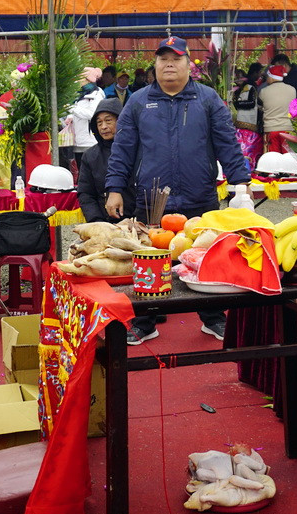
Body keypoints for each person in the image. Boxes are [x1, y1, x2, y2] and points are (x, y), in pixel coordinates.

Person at [104, 37, 251, 345]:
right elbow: (123, 149)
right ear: (154, 66)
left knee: (204, 258)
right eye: (162, 59)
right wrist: (114, 188)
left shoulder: (208, 99)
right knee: (148, 260)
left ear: (189, 65)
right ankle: (145, 321)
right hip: (151, 199)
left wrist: (242, 185)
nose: (169, 64)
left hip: (200, 196)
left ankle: (212, 318)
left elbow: (228, 144)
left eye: (176, 58)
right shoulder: (139, 101)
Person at [77, 98, 127, 223]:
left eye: (108, 121)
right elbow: (86, 194)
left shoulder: (136, 150)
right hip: (106, 222)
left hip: (138, 221)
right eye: (99, 123)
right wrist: (97, 222)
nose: (103, 127)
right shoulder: (90, 156)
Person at [230, 63, 264, 169]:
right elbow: (251, 103)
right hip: (246, 125)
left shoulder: (247, 87)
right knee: (249, 149)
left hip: (246, 124)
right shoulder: (245, 88)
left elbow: (249, 103)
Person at [258, 64, 296, 154]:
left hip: (271, 129)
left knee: (273, 160)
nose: (266, 79)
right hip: (288, 129)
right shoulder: (292, 90)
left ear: (271, 77)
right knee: (289, 159)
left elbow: (260, 106)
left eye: (267, 77)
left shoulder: (263, 91)